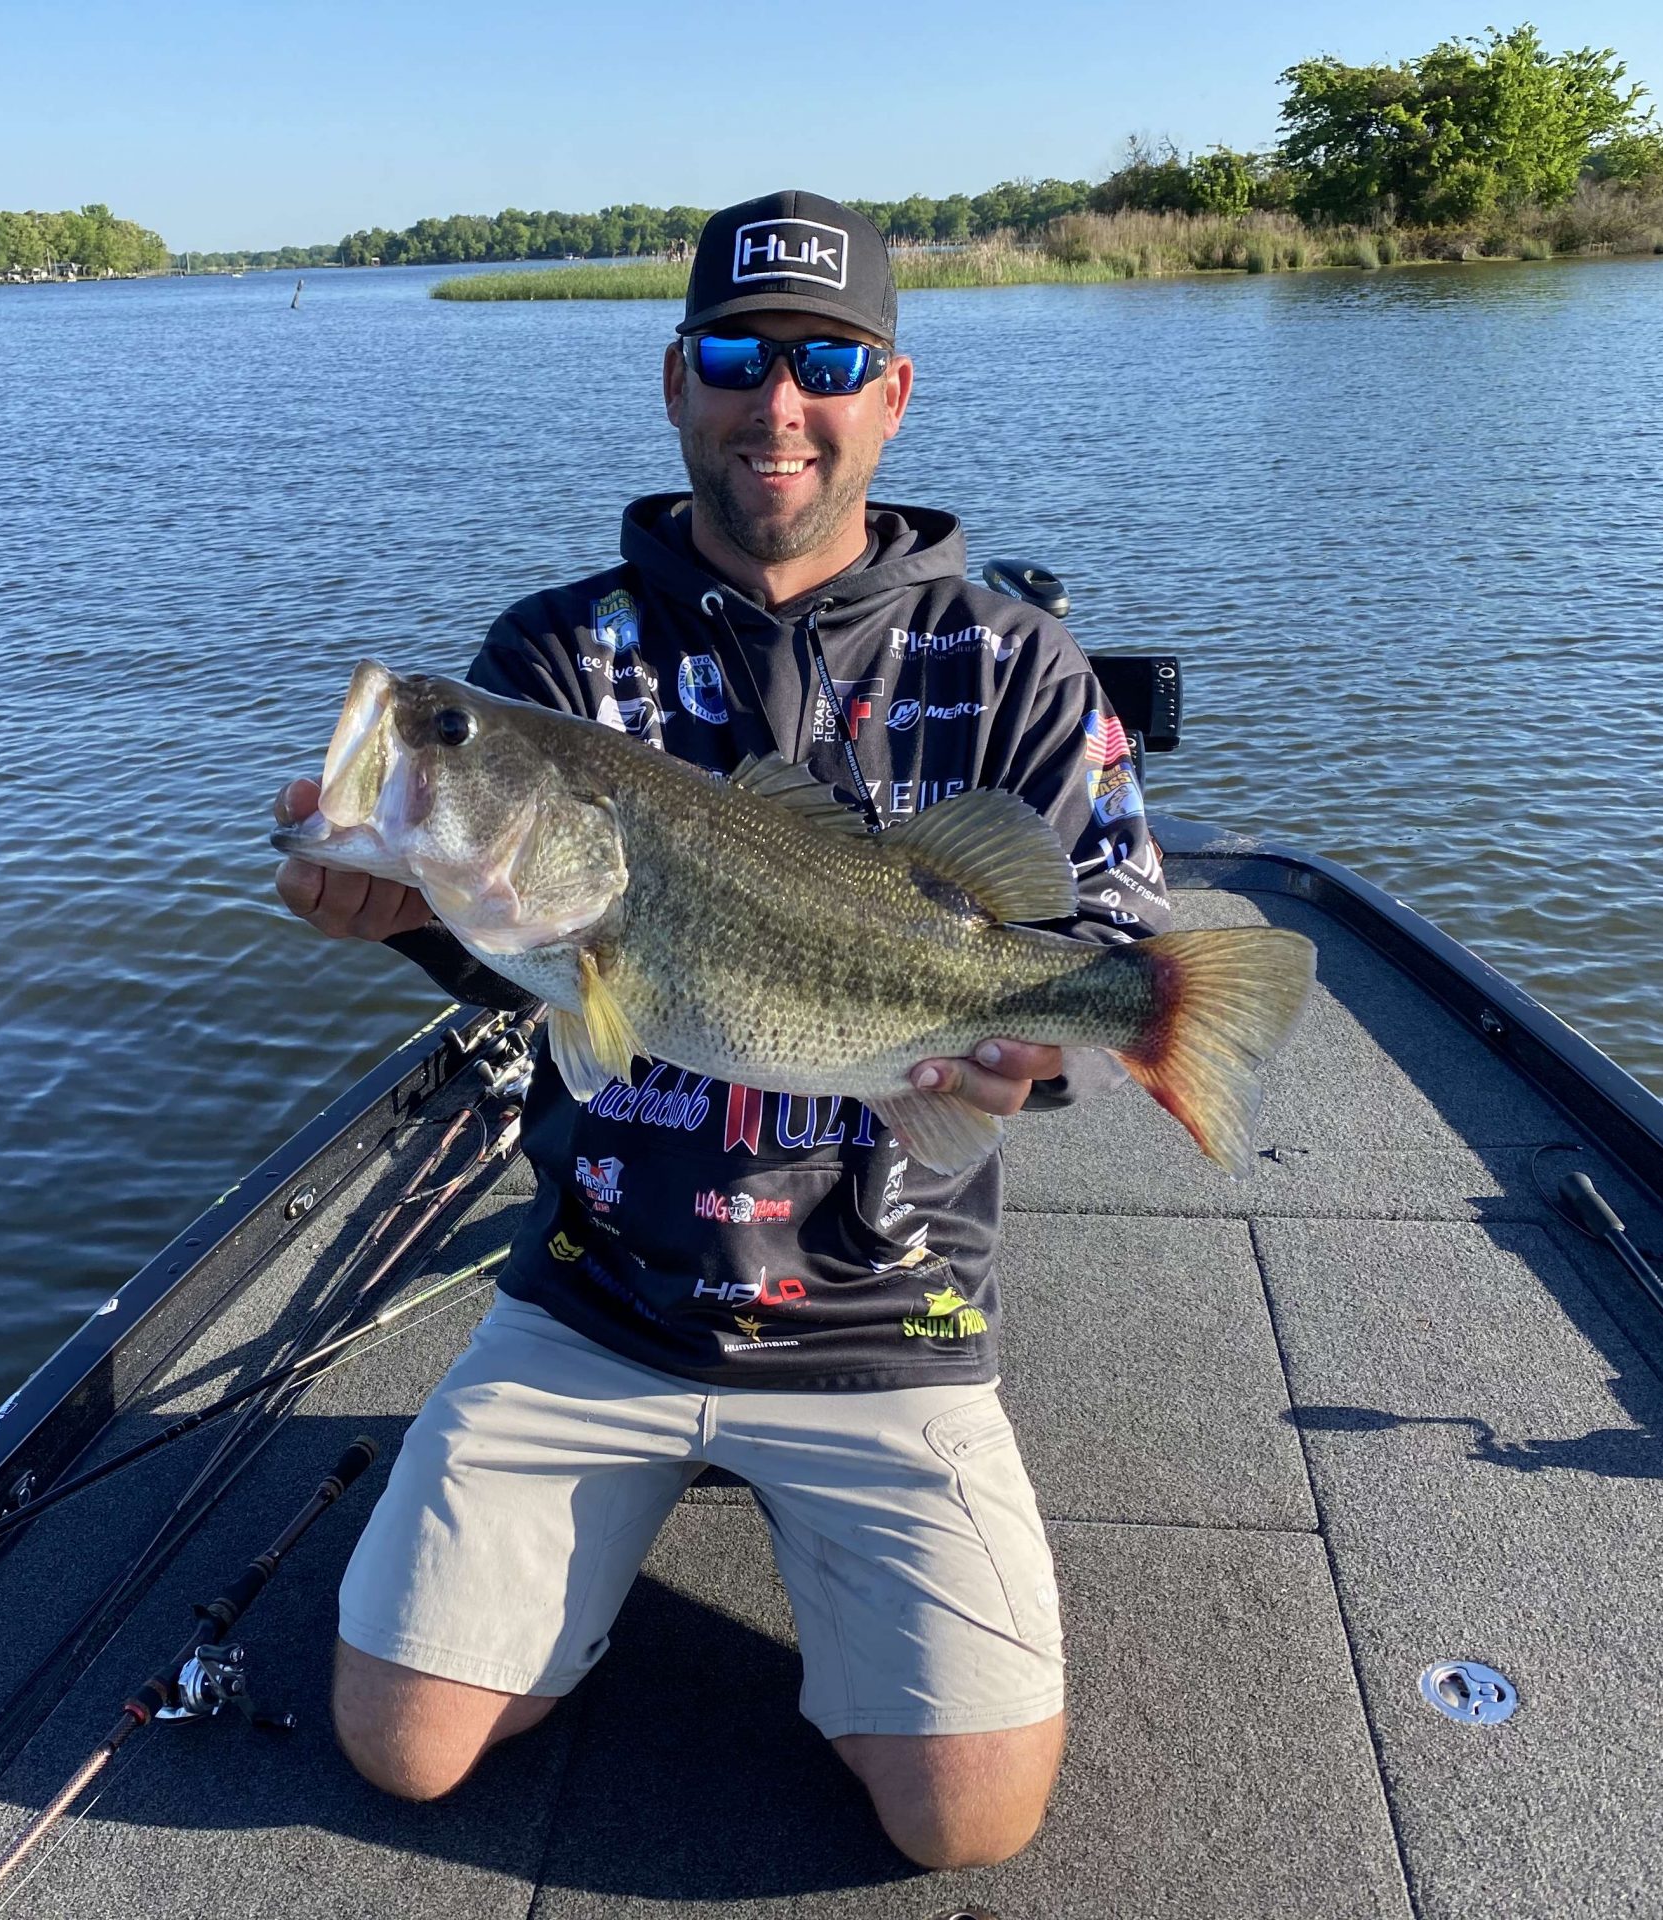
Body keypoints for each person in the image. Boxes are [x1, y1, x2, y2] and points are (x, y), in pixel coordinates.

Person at [273, 188, 1170, 1870]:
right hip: (604, 1292)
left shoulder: (1018, 664)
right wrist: (412, 917)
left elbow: (1118, 933)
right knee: (401, 1746)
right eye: (742, 357)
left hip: (890, 1308)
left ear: (890, 395)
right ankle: (581, 1537)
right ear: (679, 377)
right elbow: (548, 965)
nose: (782, 403)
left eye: (827, 364)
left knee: (967, 1824)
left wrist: (1034, 1048)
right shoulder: (557, 655)